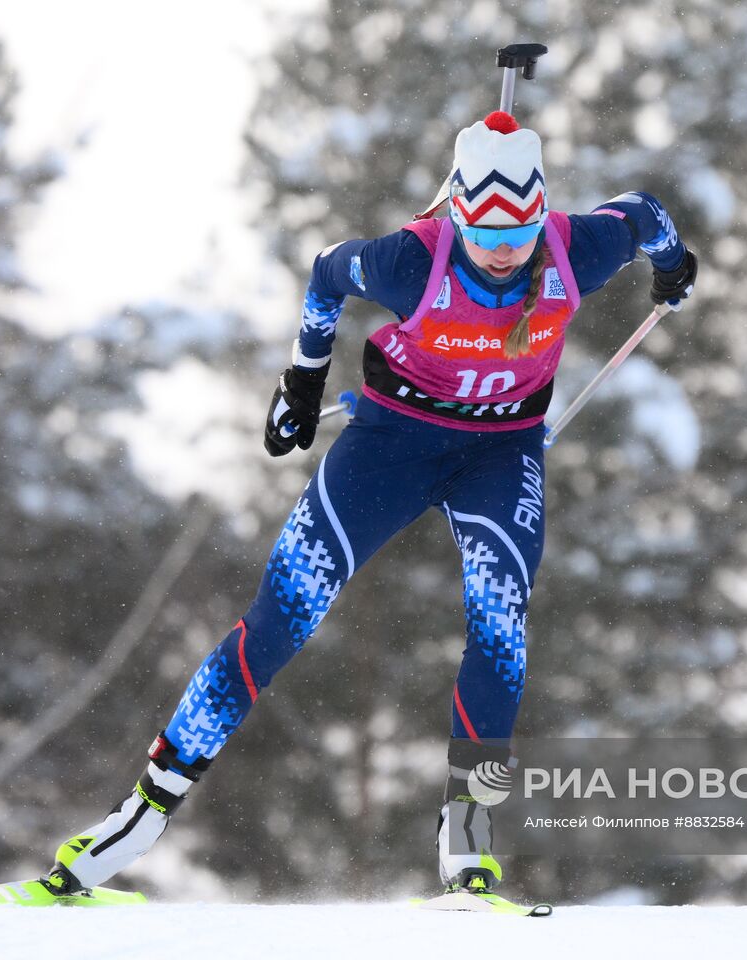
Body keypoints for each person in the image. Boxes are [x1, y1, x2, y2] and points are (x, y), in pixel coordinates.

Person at [39, 110, 698, 900]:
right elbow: (325, 272)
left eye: (519, 233)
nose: (502, 252)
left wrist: (672, 265)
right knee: (282, 615)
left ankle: (468, 832)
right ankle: (139, 816)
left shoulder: (574, 248)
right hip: (390, 445)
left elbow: (647, 214)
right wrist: (303, 381)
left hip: (501, 452)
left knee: (501, 627)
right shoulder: (408, 262)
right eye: (485, 234)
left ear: (540, 215)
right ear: (457, 213)